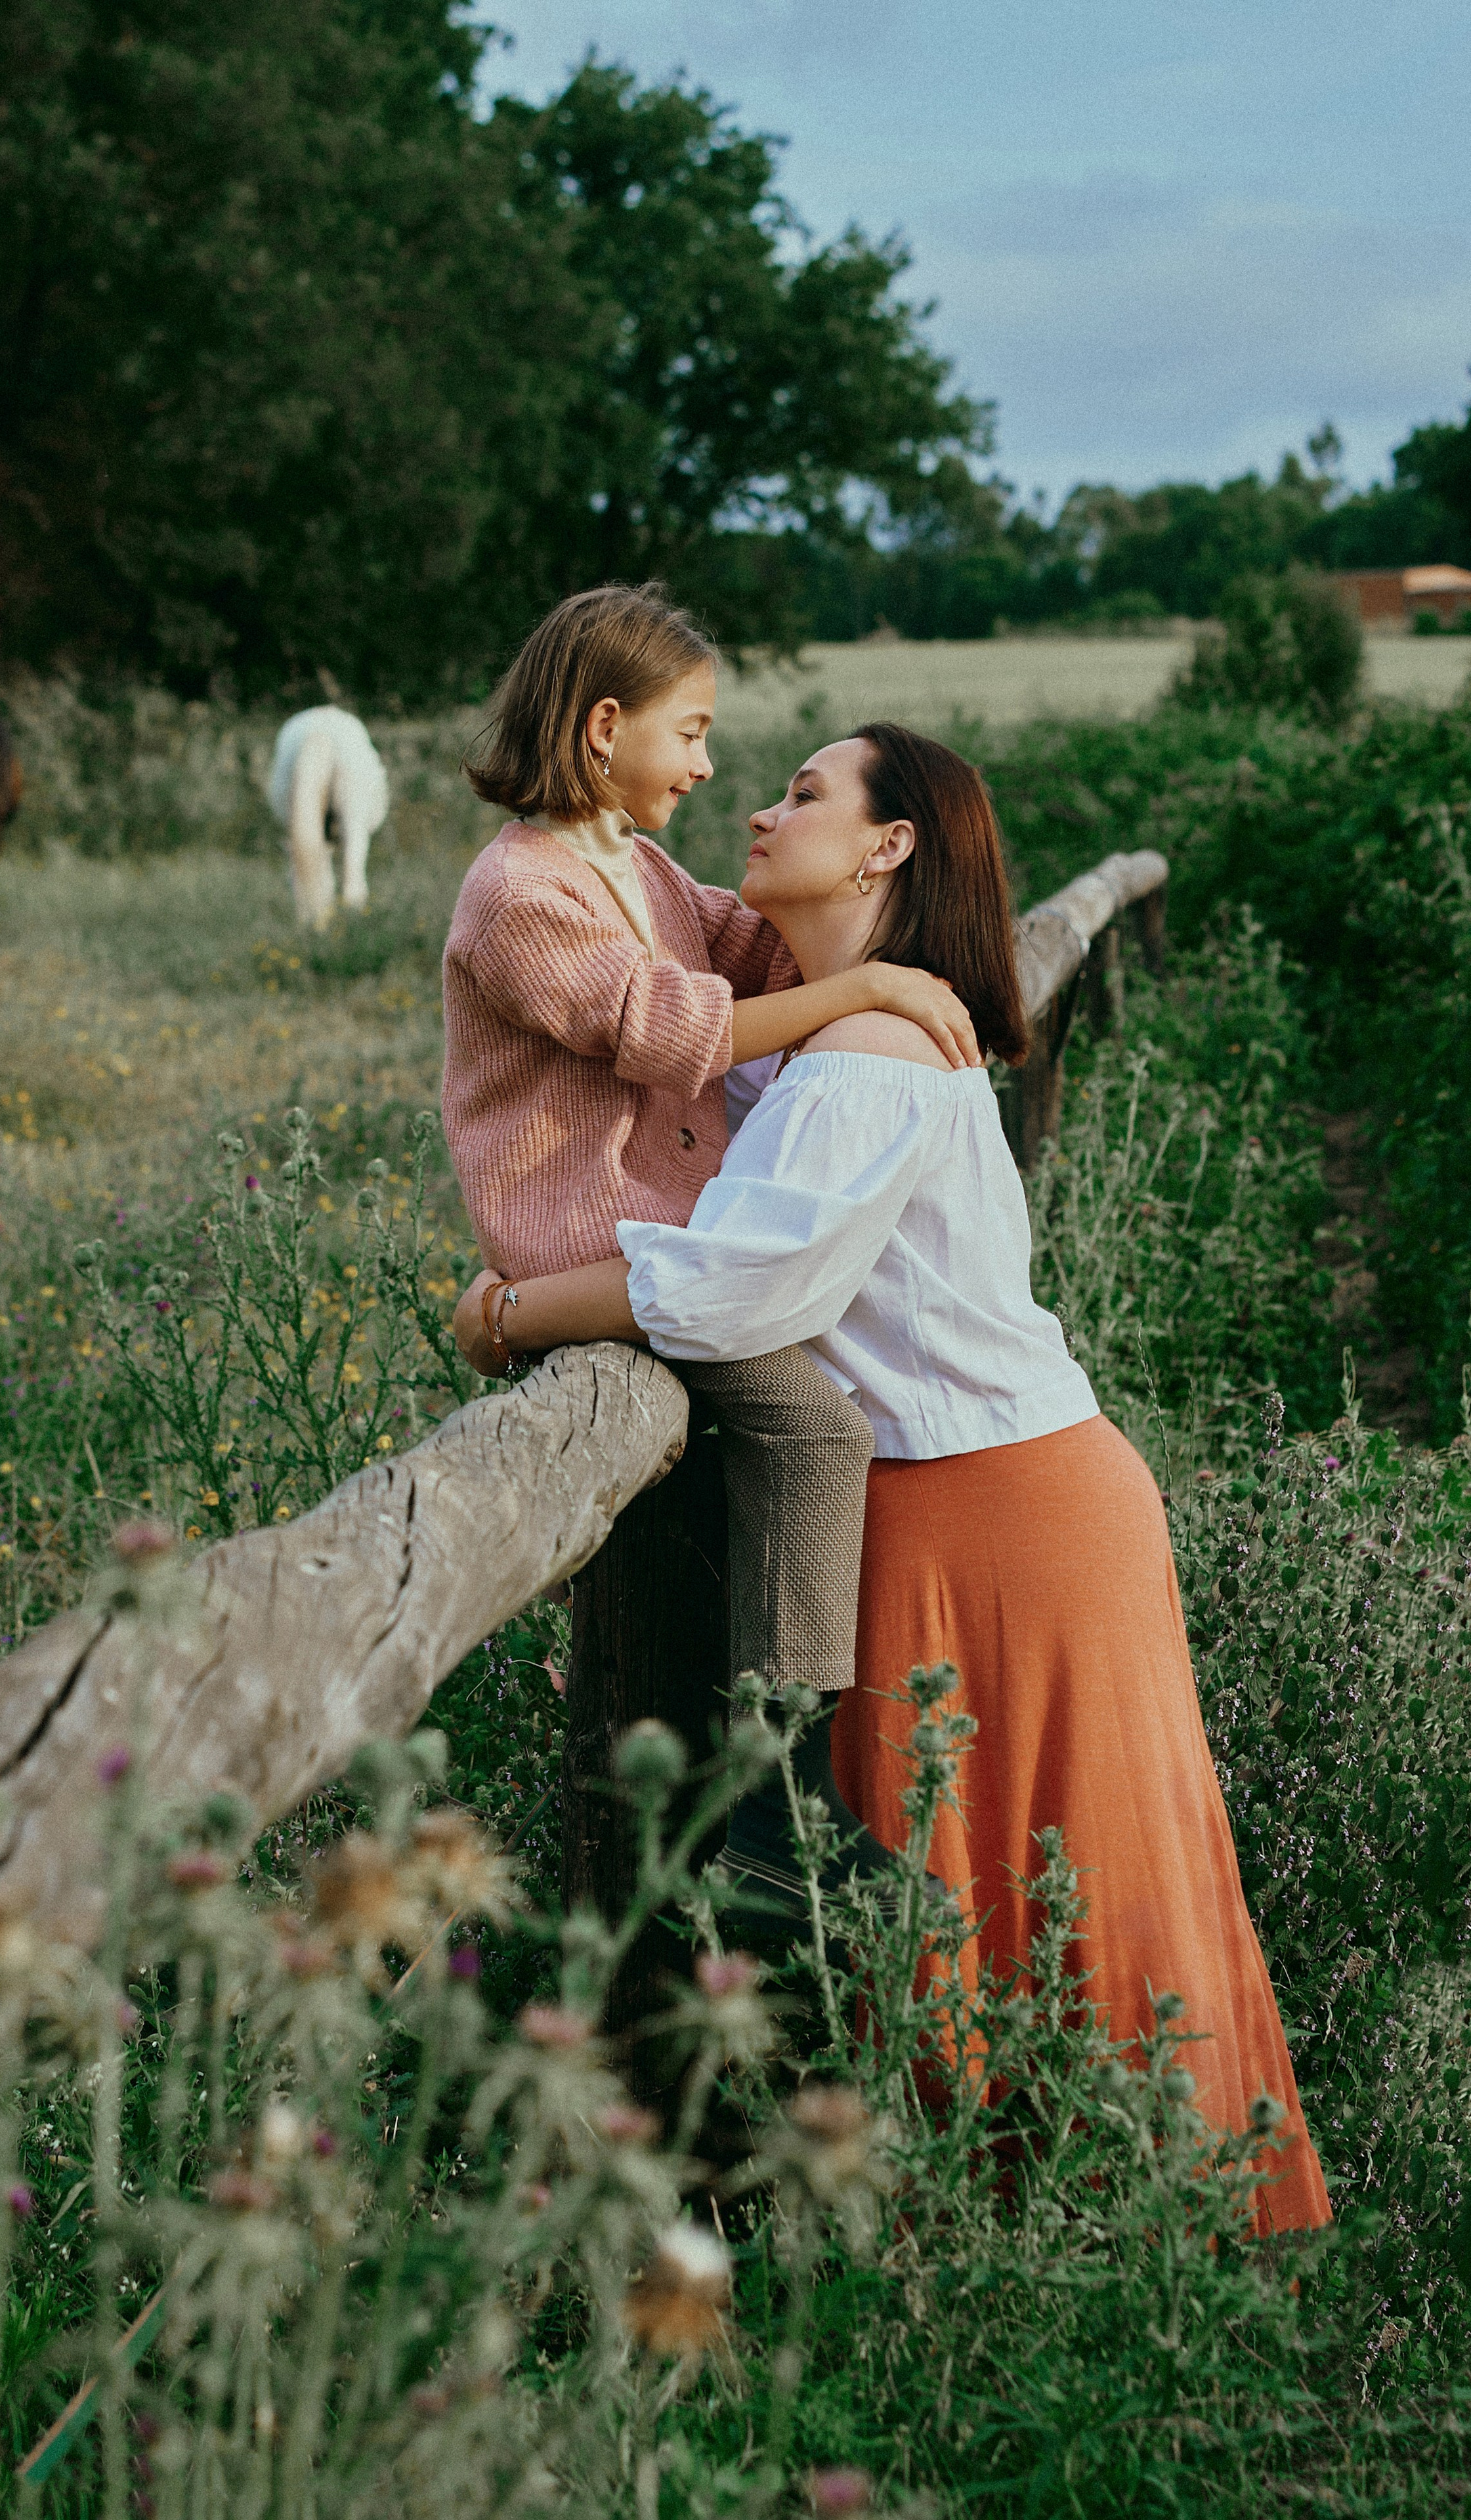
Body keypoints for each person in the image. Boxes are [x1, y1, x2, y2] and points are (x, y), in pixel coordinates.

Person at [454, 719, 1331, 2234]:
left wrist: (509, 1313)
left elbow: (733, 1288)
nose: (758, 808)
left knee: (1042, 1881)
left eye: (803, 792)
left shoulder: (863, 1063)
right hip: (973, 1499)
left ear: (887, 845)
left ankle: (1121, 2231)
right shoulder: (827, 1042)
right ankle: (1055, 2237)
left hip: (996, 1513)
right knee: (987, 1889)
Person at [442, 585, 983, 1899]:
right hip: (597, 1253)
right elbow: (666, 1029)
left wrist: (879, 936)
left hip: (661, 1245)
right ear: (603, 727)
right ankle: (778, 1815)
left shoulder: (639, 871)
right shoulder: (520, 893)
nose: (703, 766)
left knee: (736, 1477)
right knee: (815, 1433)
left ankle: (745, 1806)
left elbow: (754, 954)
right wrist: (868, 984)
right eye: (688, 733)